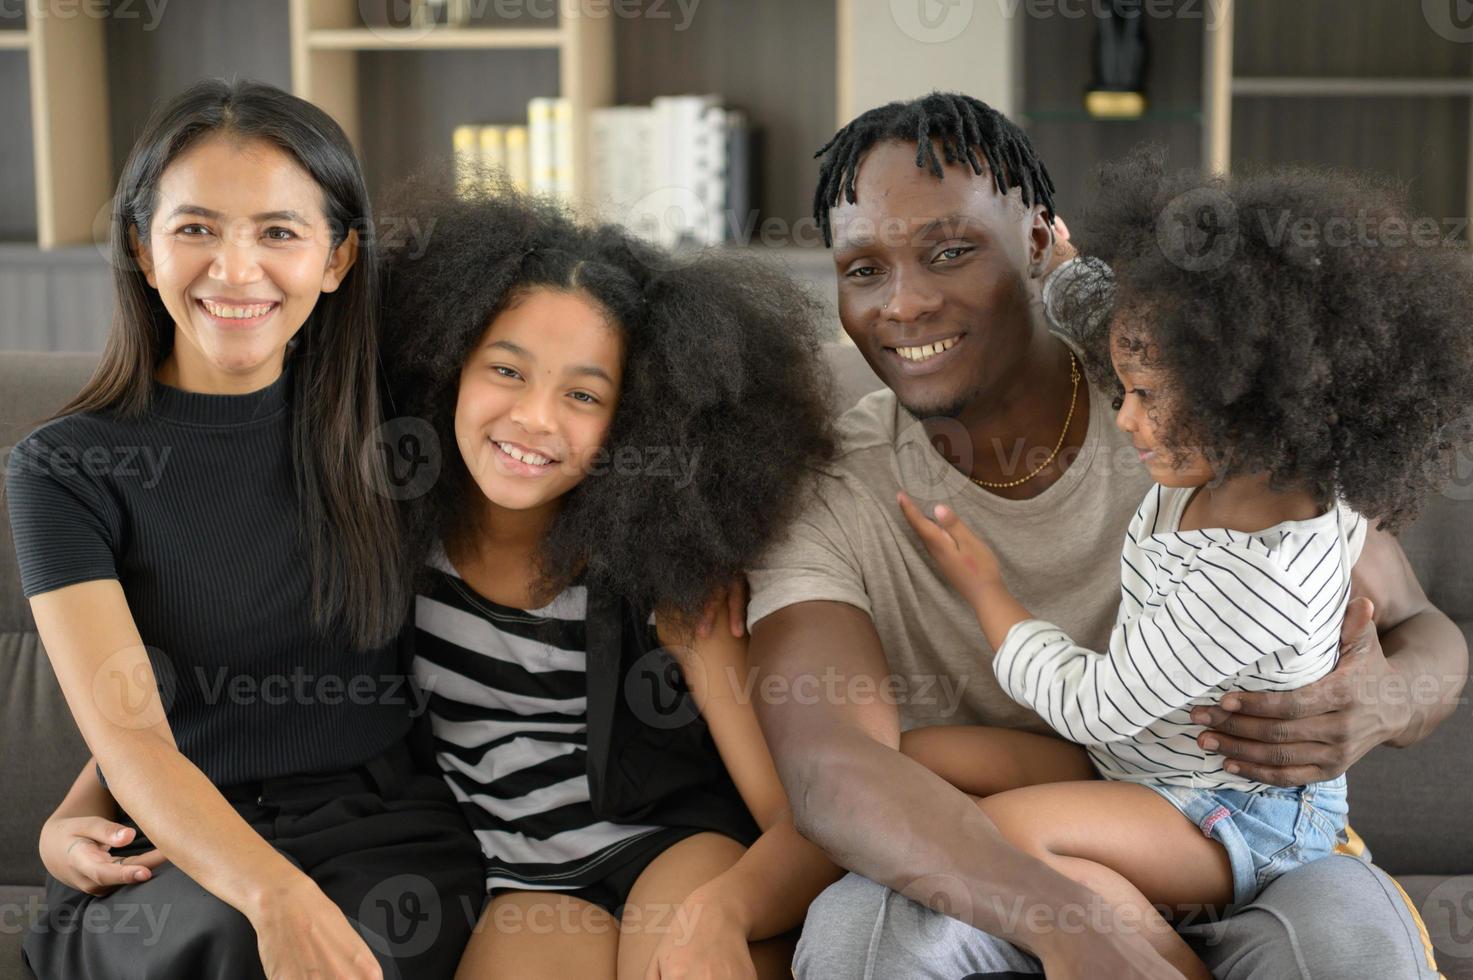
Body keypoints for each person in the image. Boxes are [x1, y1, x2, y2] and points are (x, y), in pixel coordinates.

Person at [747, 92, 1466, 979]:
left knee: (1352, 951)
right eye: (862, 269)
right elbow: (830, 770)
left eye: (950, 251)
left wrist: (1388, 701)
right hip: (1013, 842)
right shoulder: (833, 483)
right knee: (868, 941)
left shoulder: (1197, 407)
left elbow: (1421, 626)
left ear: (1045, 244)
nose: (903, 304)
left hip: (1251, 841)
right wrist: (1073, 928)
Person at [9, 79, 484, 979]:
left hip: (385, 828)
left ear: (338, 257)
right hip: (174, 837)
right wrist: (272, 892)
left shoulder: (407, 431)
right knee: (226, 942)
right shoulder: (62, 469)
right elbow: (136, 734)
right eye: (195, 229)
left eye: (278, 232)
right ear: (143, 250)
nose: (234, 270)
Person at [378, 177, 841, 978]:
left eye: (583, 394)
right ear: (445, 362)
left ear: (637, 420)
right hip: (516, 875)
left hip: (675, 849)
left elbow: (796, 820)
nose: (535, 419)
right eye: (507, 371)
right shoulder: (391, 546)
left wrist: (719, 917)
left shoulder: (666, 578)